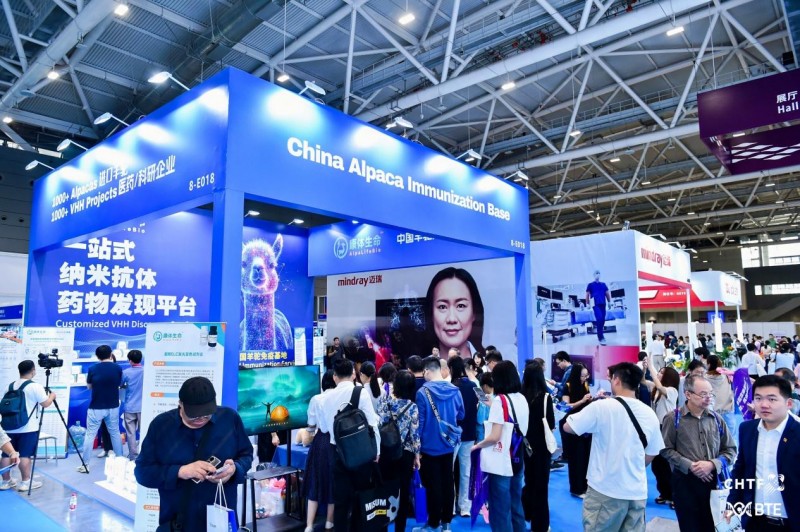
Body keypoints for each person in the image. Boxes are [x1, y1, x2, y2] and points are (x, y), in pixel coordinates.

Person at [134, 376, 253, 531]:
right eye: (194, 414)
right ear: (180, 404)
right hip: (178, 522)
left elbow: (246, 454)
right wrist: (180, 471)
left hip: (221, 521)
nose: (200, 419)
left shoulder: (230, 419)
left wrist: (234, 469)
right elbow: (142, 472)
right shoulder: (161, 426)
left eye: (206, 414)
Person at [564, 362, 664, 532]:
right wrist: (632, 465)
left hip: (605, 492)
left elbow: (568, 427)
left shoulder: (602, 407)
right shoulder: (649, 413)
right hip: (637, 492)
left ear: (616, 380)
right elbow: (653, 452)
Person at [661, 375, 737, 529]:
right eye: (703, 394)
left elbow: (731, 450)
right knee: (690, 526)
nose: (708, 398)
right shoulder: (673, 418)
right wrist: (691, 466)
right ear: (688, 394)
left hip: (714, 483)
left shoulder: (716, 419)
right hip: (685, 483)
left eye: (710, 393)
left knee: (716, 525)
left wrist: (712, 464)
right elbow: (665, 449)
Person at [726, 375, 799, 531]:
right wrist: (732, 503)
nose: (764, 404)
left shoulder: (797, 432)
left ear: (788, 404)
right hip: (755, 521)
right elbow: (740, 469)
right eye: (758, 398)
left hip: (791, 522)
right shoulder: (747, 429)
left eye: (772, 399)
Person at [321, 359, 381, 531]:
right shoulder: (360, 392)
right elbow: (372, 424)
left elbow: (324, 428)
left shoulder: (325, 397)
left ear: (335, 376)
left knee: (340, 501)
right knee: (362, 497)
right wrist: (376, 450)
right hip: (361, 452)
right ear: (353, 374)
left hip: (338, 453)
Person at [472, 361, 529, 532]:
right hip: (518, 456)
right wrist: (493, 404)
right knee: (516, 502)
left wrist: (478, 446)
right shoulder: (521, 398)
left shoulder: (500, 401)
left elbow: (495, 436)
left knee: (499, 508)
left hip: (502, 460)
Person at [414, 355, 464, 532]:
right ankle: (446, 523)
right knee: (448, 482)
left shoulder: (422, 393)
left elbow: (420, 423)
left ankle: (434, 522)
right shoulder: (455, 390)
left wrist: (416, 450)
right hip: (449, 444)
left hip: (429, 446)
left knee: (432, 484)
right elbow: (461, 415)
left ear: (427, 371)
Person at [0, 360, 56, 491]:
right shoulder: (35, 386)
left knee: (6, 455)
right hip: (28, 428)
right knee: (24, 455)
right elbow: (45, 403)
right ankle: (25, 482)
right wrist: (52, 396)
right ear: (33, 370)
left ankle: (5, 482)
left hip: (8, 427)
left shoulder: (9, 386)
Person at [377, 370, 420, 532]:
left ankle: (382, 526)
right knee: (403, 492)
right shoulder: (412, 407)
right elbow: (414, 434)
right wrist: (417, 456)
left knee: (384, 490)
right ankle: (399, 528)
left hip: (386, 451)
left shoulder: (385, 402)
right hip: (405, 454)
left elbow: (380, 423)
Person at [78, 345, 123, 473]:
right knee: (115, 433)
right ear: (111, 354)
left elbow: (89, 387)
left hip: (96, 406)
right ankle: (120, 462)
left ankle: (85, 464)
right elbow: (119, 384)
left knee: (90, 435)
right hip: (113, 405)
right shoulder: (118, 368)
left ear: (97, 356)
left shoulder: (92, 369)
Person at [521, 363, 555, 532]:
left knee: (529, 480)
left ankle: (527, 512)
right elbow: (551, 423)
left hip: (525, 445)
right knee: (541, 486)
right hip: (542, 448)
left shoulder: (521, 397)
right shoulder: (546, 398)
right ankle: (540, 524)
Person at [425, 267, 485, 359]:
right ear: (431, 314)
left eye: (461, 306)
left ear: (474, 313)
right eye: (442, 307)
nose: (452, 319)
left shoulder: (490, 366)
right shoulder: (420, 367)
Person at [303, 370, 336, 532]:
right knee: (332, 481)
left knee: (314, 481)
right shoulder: (339, 397)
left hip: (320, 441)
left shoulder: (316, 399)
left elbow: (311, 425)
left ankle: (309, 525)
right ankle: (329, 521)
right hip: (336, 442)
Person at [644, 357, 680, 506]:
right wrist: (645, 368)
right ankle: (664, 493)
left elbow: (659, 387)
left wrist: (651, 366)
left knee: (667, 463)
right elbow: (643, 381)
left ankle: (675, 496)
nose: (658, 374)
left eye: (661, 373)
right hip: (656, 428)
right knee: (657, 464)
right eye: (658, 372)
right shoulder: (656, 388)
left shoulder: (672, 391)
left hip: (667, 428)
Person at [448, 356, 478, 517]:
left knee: (450, 471)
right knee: (466, 471)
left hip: (453, 434)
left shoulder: (451, 387)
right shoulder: (473, 386)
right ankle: (465, 507)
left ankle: (451, 507)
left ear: (451, 369)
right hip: (469, 433)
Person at [561, 363, 593, 498]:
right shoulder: (567, 386)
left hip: (585, 425)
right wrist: (582, 401)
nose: (585, 378)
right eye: (583, 376)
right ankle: (576, 488)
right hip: (572, 425)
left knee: (585, 457)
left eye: (587, 375)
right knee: (576, 458)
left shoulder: (585, 385)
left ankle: (584, 486)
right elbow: (566, 407)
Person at [121, 349, 144, 461]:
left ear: (130, 360)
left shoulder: (125, 372)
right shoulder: (147, 371)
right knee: (144, 431)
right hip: (143, 407)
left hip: (130, 406)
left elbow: (120, 385)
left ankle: (133, 456)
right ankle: (144, 454)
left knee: (131, 433)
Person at [707, 354, 737, 439]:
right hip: (727, 407)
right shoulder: (726, 375)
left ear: (709, 364)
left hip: (713, 410)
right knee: (731, 436)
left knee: (714, 436)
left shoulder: (705, 378)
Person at [585, 270, 610, 345]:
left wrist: (609, 302)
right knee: (599, 318)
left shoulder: (603, 284)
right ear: (593, 275)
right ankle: (601, 337)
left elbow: (607, 293)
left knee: (602, 320)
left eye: (599, 273)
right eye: (596, 273)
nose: (598, 274)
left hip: (603, 304)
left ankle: (600, 333)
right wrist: (587, 303)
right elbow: (587, 294)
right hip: (595, 304)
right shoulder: (590, 285)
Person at [476, 372, 493, 442]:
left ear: (485, 386)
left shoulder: (485, 400)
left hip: (483, 435)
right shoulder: (499, 397)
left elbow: (480, 420)